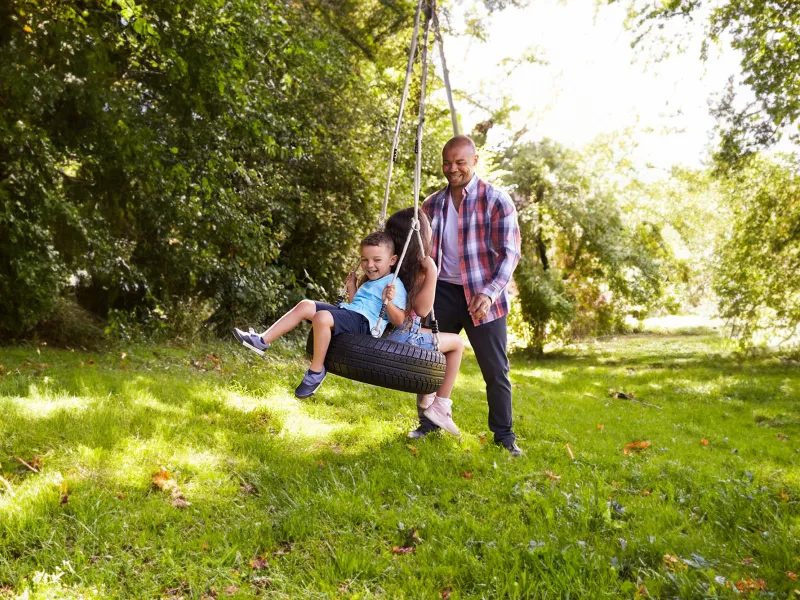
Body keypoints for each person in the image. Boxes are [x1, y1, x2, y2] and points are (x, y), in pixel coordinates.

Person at [409, 135, 523, 456]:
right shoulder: (431, 204)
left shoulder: (497, 200)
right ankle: (429, 423)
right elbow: (421, 253)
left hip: (482, 295)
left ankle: (504, 438)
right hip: (442, 293)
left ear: (474, 162)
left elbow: (510, 254)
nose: (453, 169)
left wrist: (488, 293)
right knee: (428, 360)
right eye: (447, 163)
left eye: (460, 163)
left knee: (495, 371)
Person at [233, 231, 407, 399]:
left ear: (392, 260)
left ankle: (316, 371)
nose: (369, 265)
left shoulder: (394, 284)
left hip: (366, 324)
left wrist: (389, 301)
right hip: (351, 313)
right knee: (305, 305)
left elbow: (399, 320)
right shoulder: (370, 282)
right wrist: (352, 287)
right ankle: (262, 341)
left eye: (377, 260)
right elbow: (356, 304)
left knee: (322, 317)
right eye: (364, 260)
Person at [384, 208, 464, 437]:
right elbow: (422, 309)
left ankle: (428, 398)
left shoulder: (386, 264)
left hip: (384, 335)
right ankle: (441, 405)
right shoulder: (420, 269)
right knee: (456, 343)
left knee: (435, 339)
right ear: (419, 237)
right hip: (404, 339)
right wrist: (433, 274)